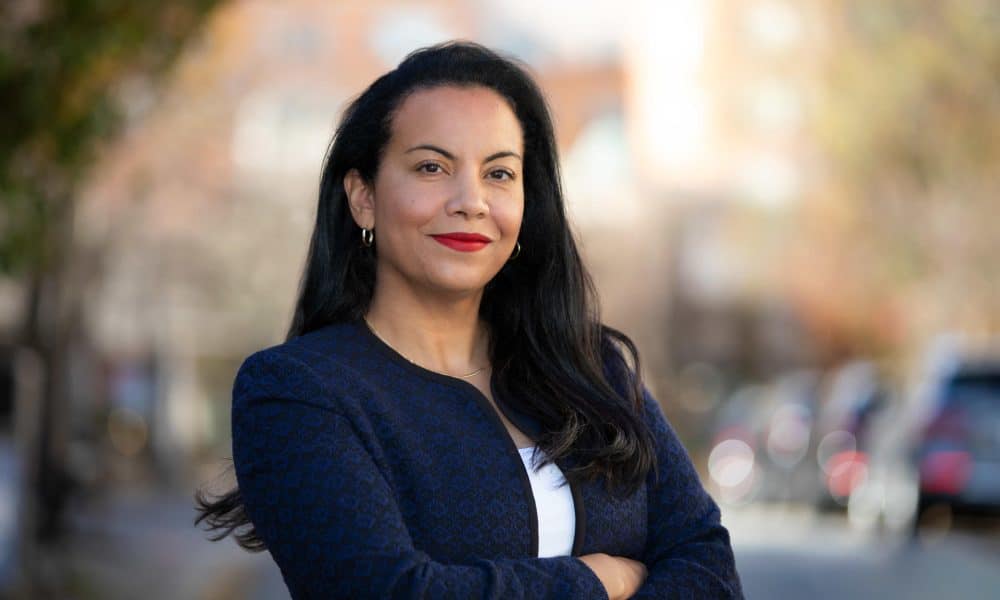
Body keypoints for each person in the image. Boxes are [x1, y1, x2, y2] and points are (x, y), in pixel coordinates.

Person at [195, 40, 743, 599]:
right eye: (432, 167)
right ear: (363, 197)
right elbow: (387, 592)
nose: (471, 200)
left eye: (499, 173)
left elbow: (708, 566)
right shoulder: (299, 392)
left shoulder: (592, 367)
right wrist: (595, 580)